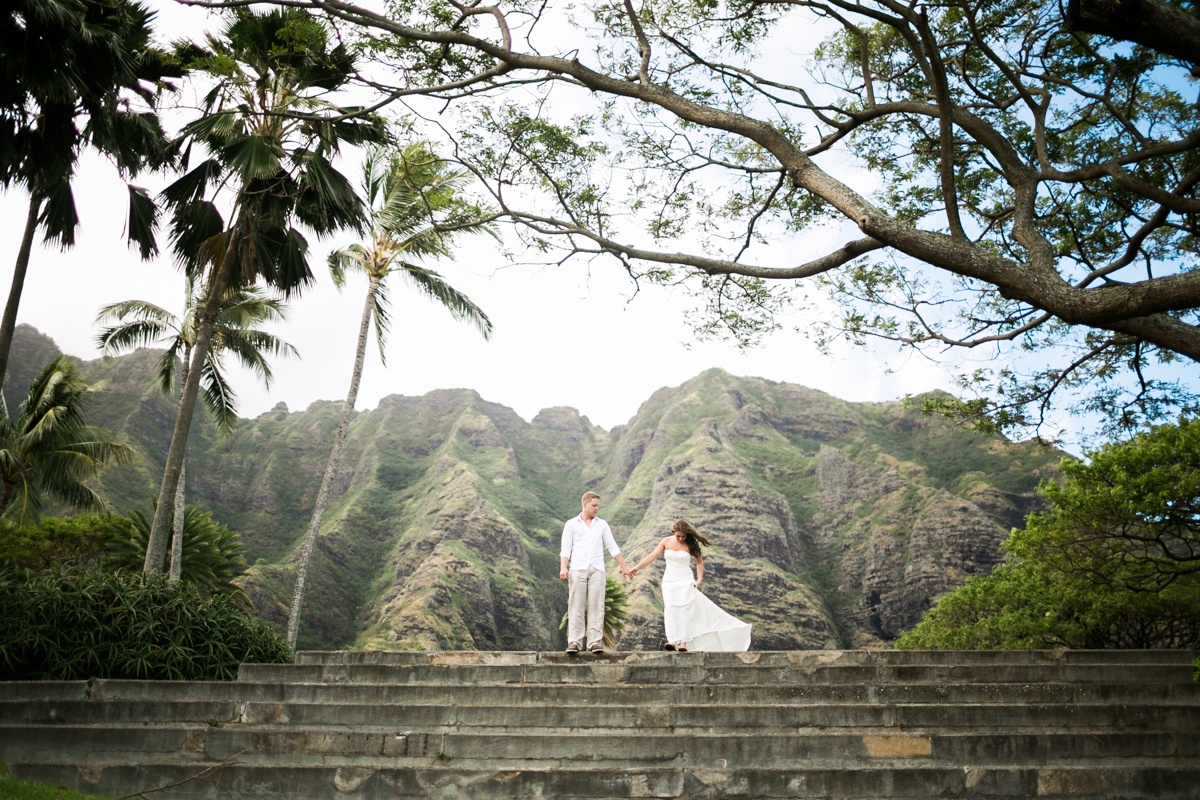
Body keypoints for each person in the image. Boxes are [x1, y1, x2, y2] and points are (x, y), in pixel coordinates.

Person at [629, 519, 751, 652]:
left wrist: (699, 579)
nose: (680, 539)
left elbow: (699, 563)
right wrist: (637, 568)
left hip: (685, 579)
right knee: (671, 609)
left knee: (684, 610)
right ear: (673, 532)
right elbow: (652, 556)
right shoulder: (665, 541)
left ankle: (683, 643)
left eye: (683, 536)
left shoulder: (691, 545)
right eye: (678, 536)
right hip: (669, 580)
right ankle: (671, 640)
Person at [560, 492, 632, 654]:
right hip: (577, 568)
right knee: (576, 606)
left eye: (598, 506)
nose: (597, 508)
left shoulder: (602, 525)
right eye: (594, 505)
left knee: (597, 606)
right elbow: (566, 548)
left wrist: (623, 566)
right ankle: (575, 643)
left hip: (597, 569)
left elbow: (612, 546)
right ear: (584, 505)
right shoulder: (571, 524)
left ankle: (594, 642)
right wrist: (563, 567)